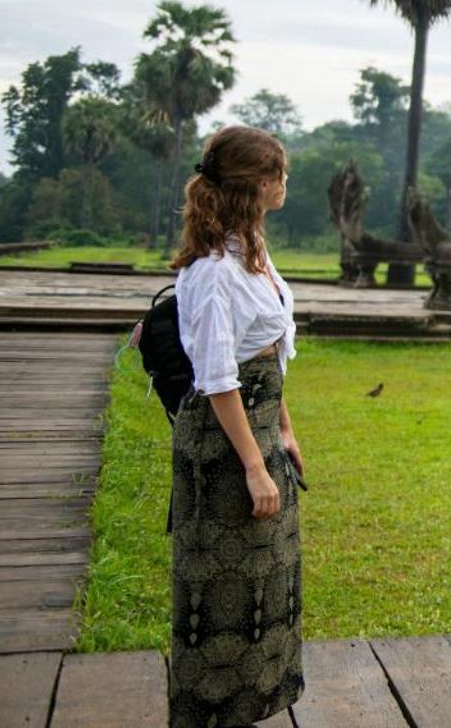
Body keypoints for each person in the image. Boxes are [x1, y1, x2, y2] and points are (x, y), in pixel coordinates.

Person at [166, 125, 305, 727]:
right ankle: (210, 712)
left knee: (265, 579)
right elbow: (219, 377)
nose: (286, 183)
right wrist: (253, 465)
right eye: (280, 173)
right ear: (259, 184)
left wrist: (286, 430)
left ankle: (254, 705)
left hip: (260, 426)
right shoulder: (216, 269)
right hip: (223, 445)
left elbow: (270, 354)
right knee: (217, 592)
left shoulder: (253, 249)